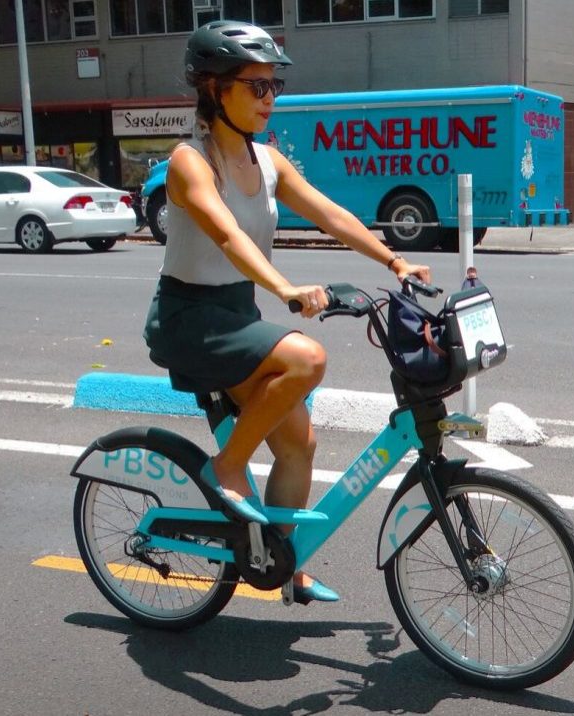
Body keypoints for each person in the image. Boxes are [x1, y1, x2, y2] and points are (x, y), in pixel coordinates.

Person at [143, 21, 431, 605]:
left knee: (299, 446)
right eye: (256, 87)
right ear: (214, 88)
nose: (269, 99)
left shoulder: (268, 160)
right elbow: (226, 236)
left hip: (236, 313)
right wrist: (286, 289)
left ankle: (284, 559)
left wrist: (394, 261)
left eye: (274, 87)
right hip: (189, 319)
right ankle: (226, 467)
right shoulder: (189, 161)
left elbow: (330, 214)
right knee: (306, 356)